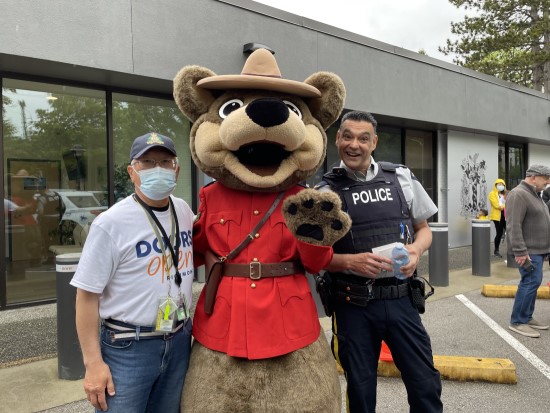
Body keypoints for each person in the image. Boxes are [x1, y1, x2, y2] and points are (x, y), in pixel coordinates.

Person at [319, 111, 442, 413]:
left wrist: (416, 251)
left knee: (425, 384)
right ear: (337, 139)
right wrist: (349, 262)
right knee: (360, 394)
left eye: (363, 138)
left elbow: (424, 230)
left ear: (374, 142)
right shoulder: (323, 192)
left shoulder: (401, 177)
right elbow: (315, 257)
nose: (354, 145)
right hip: (353, 306)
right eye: (347, 136)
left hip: (402, 301)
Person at [71, 132, 194, 412]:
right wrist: (93, 364)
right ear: (132, 171)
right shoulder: (110, 223)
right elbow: (86, 296)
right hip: (129, 347)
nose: (158, 169)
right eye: (147, 162)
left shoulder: (184, 211)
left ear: (176, 169)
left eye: (165, 161)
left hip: (179, 339)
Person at [506, 164, 550, 338]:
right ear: (533, 177)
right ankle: (518, 321)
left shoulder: (534, 195)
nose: (547, 182)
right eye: (545, 178)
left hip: (538, 249)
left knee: (534, 282)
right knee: (530, 282)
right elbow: (513, 226)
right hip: (528, 251)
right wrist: (520, 252)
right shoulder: (518, 194)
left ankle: (527, 316)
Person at [488, 178, 507, 257]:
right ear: (495, 185)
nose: (501, 186)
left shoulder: (505, 193)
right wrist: (504, 206)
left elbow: (510, 202)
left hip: (506, 216)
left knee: (510, 232)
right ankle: (496, 250)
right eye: (499, 184)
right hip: (497, 217)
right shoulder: (492, 194)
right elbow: (496, 205)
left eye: (502, 184)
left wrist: (503, 206)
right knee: (499, 233)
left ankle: (513, 250)